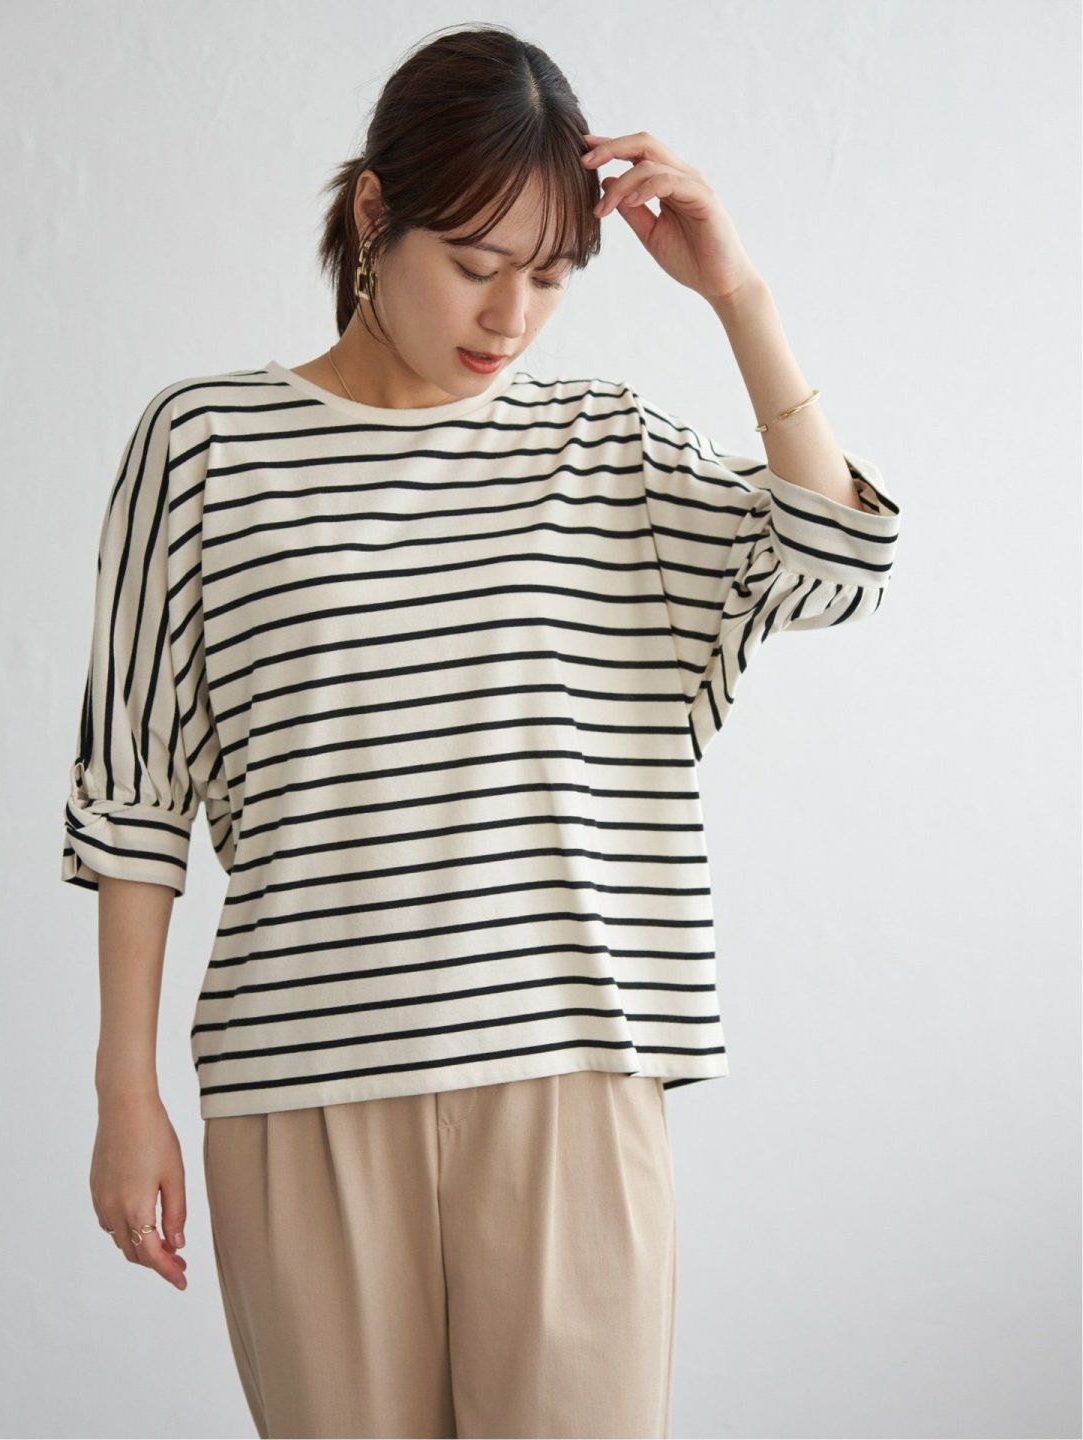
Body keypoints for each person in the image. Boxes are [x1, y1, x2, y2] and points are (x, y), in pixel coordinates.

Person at [62, 22, 902, 1440]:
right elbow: (133, 791)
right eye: (473, 263)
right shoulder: (204, 449)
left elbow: (836, 561)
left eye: (552, 277)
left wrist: (738, 292)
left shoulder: (602, 452)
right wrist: (121, 1088)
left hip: (568, 1085)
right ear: (372, 215)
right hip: (304, 1093)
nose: (510, 316)